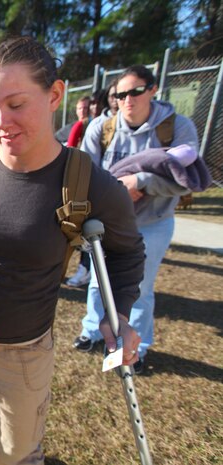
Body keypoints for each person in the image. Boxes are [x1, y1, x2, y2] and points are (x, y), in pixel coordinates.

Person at [0, 36, 145, 465]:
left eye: (16, 104)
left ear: (54, 94)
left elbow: (127, 253)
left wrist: (122, 314)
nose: (2, 122)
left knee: (20, 452)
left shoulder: (88, 182)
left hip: (24, 349)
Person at [74, 65, 200, 373]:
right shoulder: (101, 128)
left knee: (139, 287)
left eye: (135, 92)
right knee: (96, 280)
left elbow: (187, 177)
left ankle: (136, 348)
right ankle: (92, 331)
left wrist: (141, 181)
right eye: (120, 95)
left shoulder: (176, 127)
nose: (127, 100)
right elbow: (85, 172)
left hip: (152, 223)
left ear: (153, 89)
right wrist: (115, 190)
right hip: (107, 223)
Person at [64, 90, 108, 287]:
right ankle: (85, 268)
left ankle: (87, 269)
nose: (87, 110)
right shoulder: (80, 126)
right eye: (82, 107)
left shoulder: (97, 126)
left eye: (88, 107)